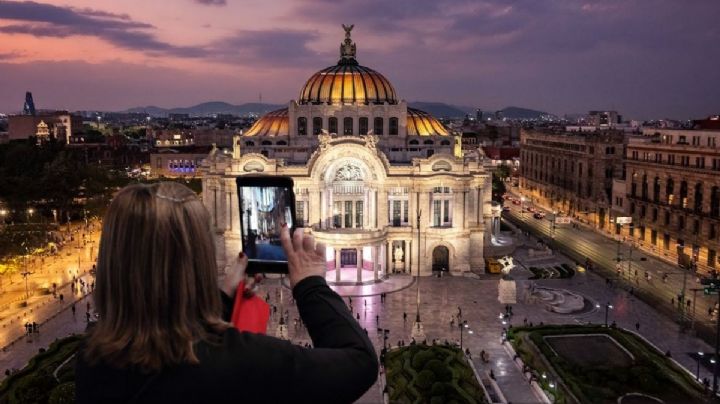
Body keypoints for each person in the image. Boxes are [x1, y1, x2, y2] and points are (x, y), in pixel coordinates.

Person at [76, 182, 377, 403]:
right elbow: (360, 363)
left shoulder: (93, 354)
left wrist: (221, 299)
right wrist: (310, 284)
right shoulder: (243, 361)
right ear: (199, 259)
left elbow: (170, 348)